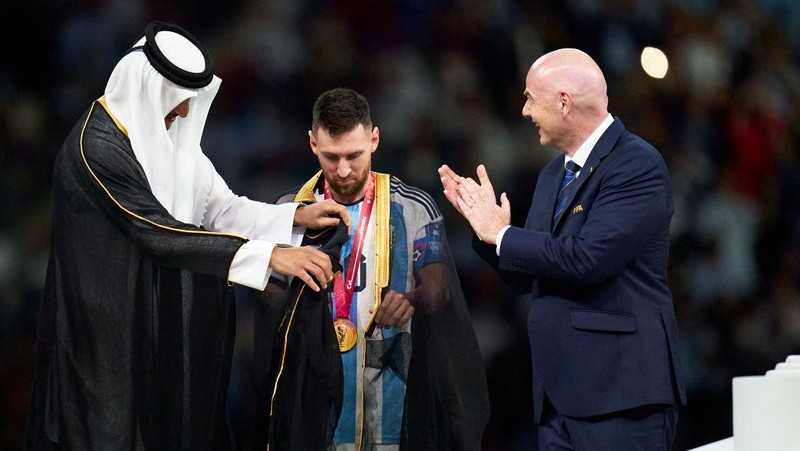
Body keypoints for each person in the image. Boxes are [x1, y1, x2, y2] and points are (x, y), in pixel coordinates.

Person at [23, 20, 350, 451]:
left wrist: (296, 218)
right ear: (152, 89)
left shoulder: (167, 133)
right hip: (107, 335)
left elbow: (220, 208)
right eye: (178, 100)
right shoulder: (96, 148)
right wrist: (271, 256)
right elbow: (158, 234)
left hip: (162, 324)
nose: (184, 112)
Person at [439, 48, 686, 451]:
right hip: (559, 401)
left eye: (530, 98)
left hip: (621, 398)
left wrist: (502, 234)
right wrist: (484, 229)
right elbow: (527, 275)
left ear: (564, 102)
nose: (523, 111)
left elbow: (587, 259)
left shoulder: (637, 164)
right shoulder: (554, 172)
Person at [253, 87, 490, 450]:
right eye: (331, 157)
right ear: (312, 143)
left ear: (375, 140)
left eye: (354, 155)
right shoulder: (289, 211)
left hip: (394, 394)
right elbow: (270, 301)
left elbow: (440, 291)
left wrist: (412, 297)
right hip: (313, 398)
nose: (343, 170)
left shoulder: (412, 207)